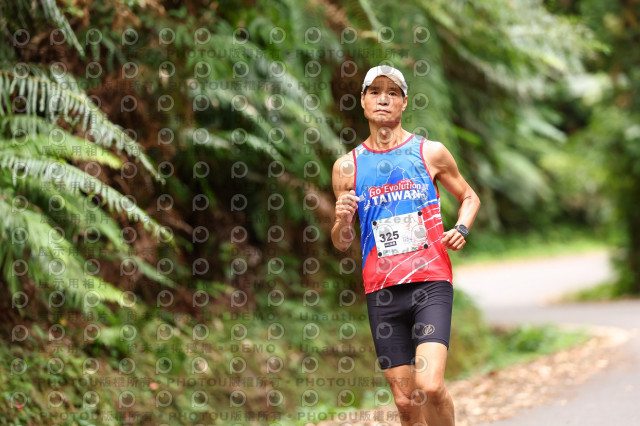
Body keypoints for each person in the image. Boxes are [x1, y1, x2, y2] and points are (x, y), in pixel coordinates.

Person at [331, 65, 481, 426]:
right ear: (363, 101)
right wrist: (341, 220)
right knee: (405, 401)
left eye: (392, 92)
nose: (383, 99)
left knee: (429, 386)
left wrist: (461, 227)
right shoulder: (347, 167)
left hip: (430, 283)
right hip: (382, 291)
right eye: (375, 91)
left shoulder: (430, 152)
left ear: (404, 102)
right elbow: (342, 242)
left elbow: (470, 196)